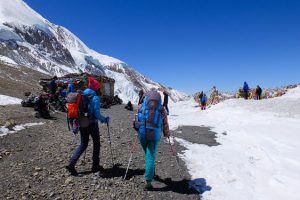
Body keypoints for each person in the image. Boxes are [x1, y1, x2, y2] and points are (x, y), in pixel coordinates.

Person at [66, 77, 110, 176]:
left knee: (83, 144)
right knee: (96, 144)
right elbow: (97, 114)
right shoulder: (95, 97)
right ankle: (95, 166)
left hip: (82, 122)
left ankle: (71, 164)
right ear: (96, 88)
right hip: (92, 124)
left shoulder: (82, 95)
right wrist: (105, 119)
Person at [135, 89, 169, 191]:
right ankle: (148, 181)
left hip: (142, 133)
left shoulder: (141, 106)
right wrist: (167, 134)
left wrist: (136, 128)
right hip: (154, 135)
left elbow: (137, 119)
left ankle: (151, 171)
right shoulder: (161, 109)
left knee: (148, 154)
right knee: (150, 156)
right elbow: (165, 123)